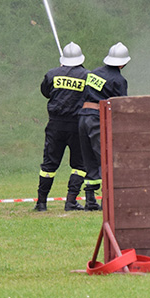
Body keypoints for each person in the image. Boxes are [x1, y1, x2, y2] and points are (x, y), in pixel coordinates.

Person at [35, 42, 89, 212]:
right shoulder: (87, 76)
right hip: (77, 126)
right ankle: (71, 201)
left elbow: (45, 92)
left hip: (55, 126)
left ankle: (41, 203)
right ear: (80, 59)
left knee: (49, 165)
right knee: (79, 165)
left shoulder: (52, 74)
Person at [78, 42, 130, 211]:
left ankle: (90, 200)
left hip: (83, 118)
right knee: (106, 158)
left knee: (89, 160)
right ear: (123, 63)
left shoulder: (93, 73)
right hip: (97, 120)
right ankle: (109, 201)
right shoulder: (119, 80)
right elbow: (121, 106)